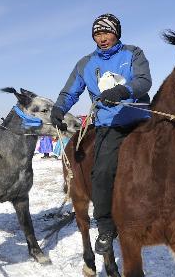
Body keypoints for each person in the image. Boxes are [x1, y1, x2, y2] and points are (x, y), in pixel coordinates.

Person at [50, 14, 152, 254]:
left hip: (140, 119)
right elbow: (70, 92)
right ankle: (106, 228)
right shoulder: (86, 63)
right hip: (109, 124)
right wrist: (59, 108)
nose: (102, 38)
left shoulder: (133, 53)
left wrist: (123, 91)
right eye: (97, 34)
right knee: (102, 171)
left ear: (117, 33)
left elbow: (144, 81)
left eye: (106, 32)